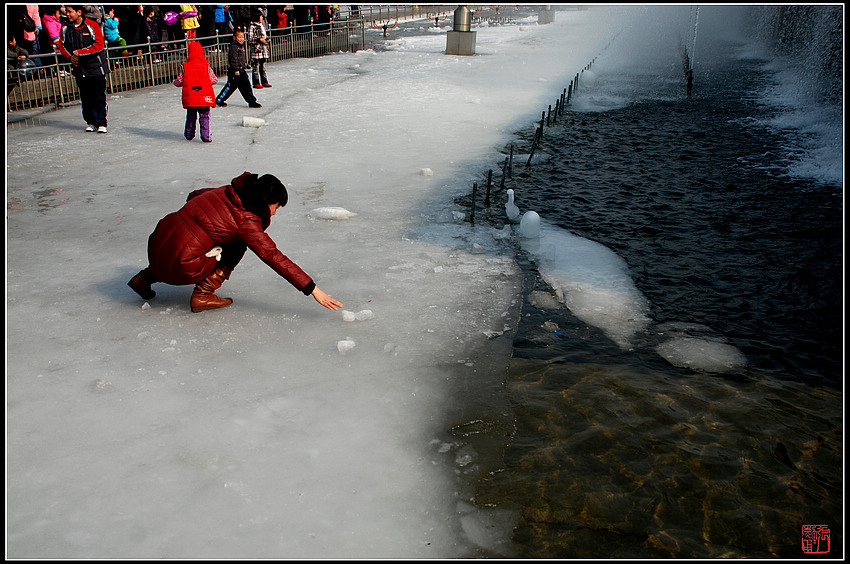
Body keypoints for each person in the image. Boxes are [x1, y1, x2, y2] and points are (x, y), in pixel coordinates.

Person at [128, 172, 343, 313]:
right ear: (265, 201)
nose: (275, 213)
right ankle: (203, 294)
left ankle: (143, 278)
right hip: (181, 265)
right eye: (276, 207)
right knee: (239, 244)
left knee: (196, 241)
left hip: (157, 246)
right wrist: (313, 289)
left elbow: (194, 195)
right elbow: (272, 255)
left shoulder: (227, 191)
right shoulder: (246, 220)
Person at [59, 5, 111, 133]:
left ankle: (101, 122)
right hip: (80, 69)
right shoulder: (66, 27)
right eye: (67, 12)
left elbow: (99, 45)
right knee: (86, 97)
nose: (68, 15)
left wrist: (80, 52)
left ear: (79, 12)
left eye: (70, 12)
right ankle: (90, 121)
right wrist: (70, 57)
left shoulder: (92, 25)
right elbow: (61, 45)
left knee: (98, 96)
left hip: (96, 67)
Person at [173, 41, 217, 142]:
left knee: (191, 116)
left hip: (191, 97)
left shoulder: (185, 66)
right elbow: (214, 79)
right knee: (205, 117)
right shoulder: (206, 66)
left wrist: (175, 82)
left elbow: (180, 81)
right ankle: (206, 136)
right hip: (204, 97)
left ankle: (189, 134)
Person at [215, 27, 261, 108]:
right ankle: (219, 99)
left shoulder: (241, 46)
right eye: (239, 37)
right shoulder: (234, 47)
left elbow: (241, 59)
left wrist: (245, 65)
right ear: (234, 38)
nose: (241, 39)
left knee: (246, 86)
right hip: (235, 71)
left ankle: (251, 101)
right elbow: (233, 59)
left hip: (242, 70)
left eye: (242, 37)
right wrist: (236, 69)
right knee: (230, 87)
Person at [247, 9, 271, 88]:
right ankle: (256, 82)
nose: (262, 18)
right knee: (255, 67)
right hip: (256, 50)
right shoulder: (252, 26)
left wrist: (267, 39)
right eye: (261, 16)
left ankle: (264, 81)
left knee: (263, 66)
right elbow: (250, 39)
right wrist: (259, 39)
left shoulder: (261, 25)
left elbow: (264, 35)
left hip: (263, 49)